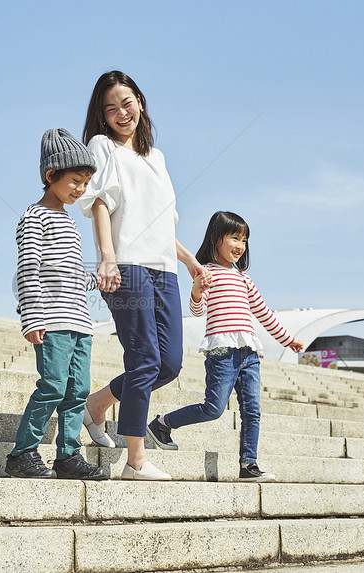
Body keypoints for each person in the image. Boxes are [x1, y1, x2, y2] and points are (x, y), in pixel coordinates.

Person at [78, 70, 210, 481]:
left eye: (127, 101)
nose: (121, 112)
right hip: (127, 265)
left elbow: (161, 224)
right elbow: (100, 202)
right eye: (110, 107)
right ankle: (136, 460)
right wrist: (107, 257)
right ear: (102, 116)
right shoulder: (102, 146)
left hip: (165, 270)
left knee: (168, 364)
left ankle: (97, 404)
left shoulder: (157, 158)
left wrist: (189, 262)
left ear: (140, 101)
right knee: (143, 359)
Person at [146, 211, 304, 482]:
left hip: (249, 353)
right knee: (213, 408)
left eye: (244, 240)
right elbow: (197, 309)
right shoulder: (207, 273)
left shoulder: (244, 279)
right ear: (216, 239)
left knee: (252, 410)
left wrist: (287, 340)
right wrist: (196, 288)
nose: (240, 245)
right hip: (222, 352)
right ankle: (162, 424)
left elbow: (264, 313)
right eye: (234, 238)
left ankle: (248, 465)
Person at [5, 128, 109, 481]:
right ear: (52, 176)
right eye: (75, 181)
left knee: (78, 389)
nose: (80, 189)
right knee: (53, 385)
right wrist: (31, 315)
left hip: (80, 321)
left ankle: (68, 455)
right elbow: (28, 267)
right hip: (51, 319)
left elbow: (73, 275)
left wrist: (98, 280)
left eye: (85, 183)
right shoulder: (35, 216)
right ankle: (22, 453)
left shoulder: (68, 220)